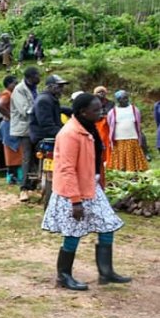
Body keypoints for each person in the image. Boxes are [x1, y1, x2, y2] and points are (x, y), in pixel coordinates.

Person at [41, 93, 130, 291]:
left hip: (92, 187)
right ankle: (63, 276)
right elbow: (66, 169)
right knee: (73, 233)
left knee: (108, 224)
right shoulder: (70, 134)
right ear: (83, 112)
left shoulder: (89, 127)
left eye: (101, 108)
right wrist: (75, 201)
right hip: (72, 193)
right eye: (96, 110)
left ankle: (106, 272)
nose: (101, 112)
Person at [11, 67, 42, 202]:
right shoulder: (19, 90)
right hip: (25, 129)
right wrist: (41, 112)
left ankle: (35, 184)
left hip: (36, 128)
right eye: (37, 76)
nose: (39, 78)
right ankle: (23, 189)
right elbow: (25, 110)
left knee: (38, 157)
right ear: (30, 77)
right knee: (27, 158)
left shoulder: (35, 88)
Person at [106, 90, 149, 172]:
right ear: (118, 100)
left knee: (133, 156)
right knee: (120, 158)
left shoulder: (134, 109)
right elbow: (110, 124)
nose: (126, 100)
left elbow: (138, 122)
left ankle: (135, 172)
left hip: (132, 138)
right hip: (119, 140)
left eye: (126, 98)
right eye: (123, 98)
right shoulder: (113, 112)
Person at [0, 75, 23, 185]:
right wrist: (11, 117)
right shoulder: (7, 94)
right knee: (12, 151)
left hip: (11, 125)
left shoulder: (12, 94)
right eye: (14, 84)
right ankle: (12, 176)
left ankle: (15, 175)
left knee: (16, 151)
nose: (16, 86)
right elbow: (0, 105)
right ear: (8, 84)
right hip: (9, 125)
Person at [29, 75, 69, 144]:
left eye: (62, 86)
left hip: (49, 136)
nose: (62, 89)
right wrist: (66, 134)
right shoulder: (44, 101)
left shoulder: (50, 98)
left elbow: (59, 109)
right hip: (44, 139)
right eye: (59, 86)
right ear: (50, 86)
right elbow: (47, 126)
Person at [93, 86, 113, 167]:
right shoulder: (93, 103)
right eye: (99, 92)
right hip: (96, 125)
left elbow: (111, 113)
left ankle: (109, 161)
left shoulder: (110, 103)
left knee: (107, 143)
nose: (101, 94)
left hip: (107, 126)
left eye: (103, 92)